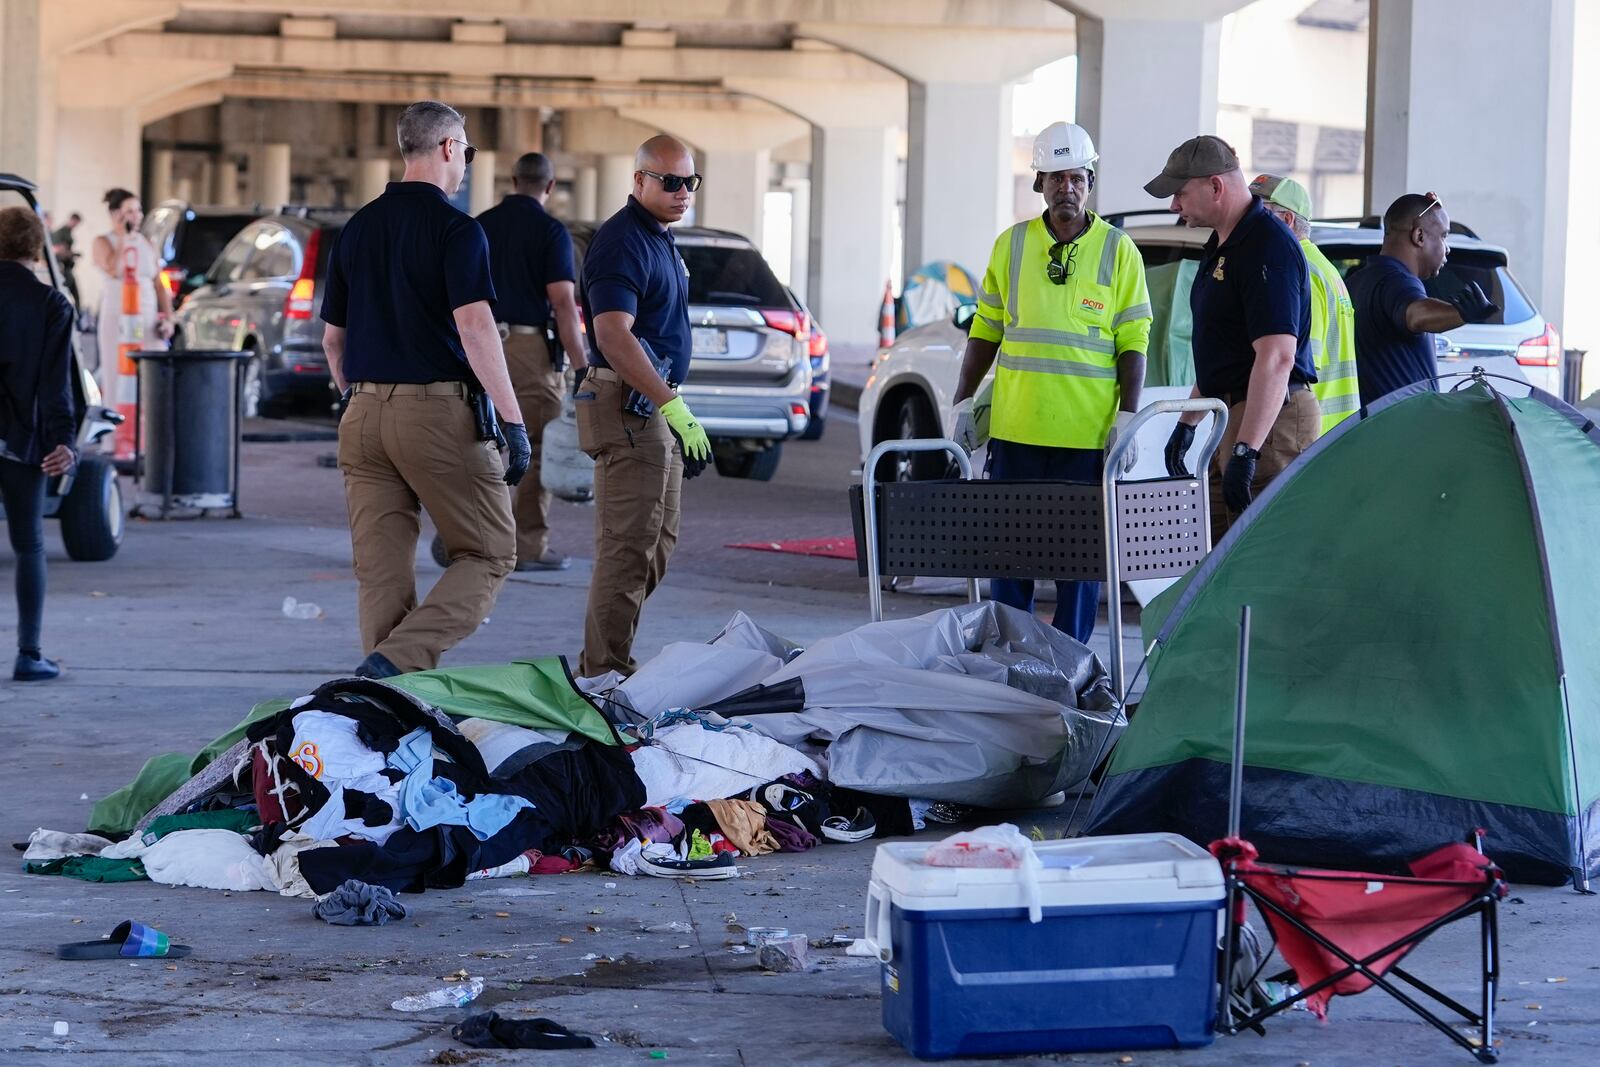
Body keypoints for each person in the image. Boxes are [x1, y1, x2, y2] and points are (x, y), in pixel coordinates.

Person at [320, 100, 531, 679]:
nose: (466, 161)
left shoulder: (356, 229)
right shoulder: (458, 230)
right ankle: (392, 667)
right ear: (447, 148)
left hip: (360, 413)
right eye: (467, 150)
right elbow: (475, 327)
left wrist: (359, 400)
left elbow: (332, 342)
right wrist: (513, 422)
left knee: (382, 572)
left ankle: (384, 705)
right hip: (435, 414)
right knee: (489, 553)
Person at [948, 121, 1151, 645]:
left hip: (1085, 441)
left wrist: (1127, 417)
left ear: (1090, 181)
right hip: (1016, 435)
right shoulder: (1012, 246)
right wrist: (963, 402)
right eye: (1057, 178)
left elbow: (1134, 340)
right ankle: (1009, 661)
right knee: (1009, 559)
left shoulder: (1118, 250)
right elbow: (985, 330)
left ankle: (1070, 666)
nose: (1068, 188)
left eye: (1077, 178)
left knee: (1078, 571)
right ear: (1040, 183)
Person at [575, 134, 711, 678]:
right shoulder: (623, 241)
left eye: (690, 183)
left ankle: (608, 659)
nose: (682, 193)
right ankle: (602, 673)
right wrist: (670, 404)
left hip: (655, 404)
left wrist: (672, 405)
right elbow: (612, 333)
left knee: (657, 544)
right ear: (639, 180)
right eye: (670, 181)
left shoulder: (660, 238)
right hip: (631, 406)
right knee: (627, 548)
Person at [1146, 136, 1320, 539]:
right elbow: (1221, 347)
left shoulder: (1266, 246)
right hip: (1236, 413)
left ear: (1215, 186)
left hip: (1271, 419)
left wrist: (1247, 450)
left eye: (1180, 194)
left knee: (1259, 554)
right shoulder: (1224, 243)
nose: (1174, 206)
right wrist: (1189, 423)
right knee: (1221, 553)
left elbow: (1276, 357)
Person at [474, 151, 588, 571]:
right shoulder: (550, 231)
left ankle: (475, 540)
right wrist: (581, 365)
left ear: (512, 179)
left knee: (482, 443)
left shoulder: (480, 226)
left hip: (478, 344)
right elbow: (561, 302)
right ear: (550, 186)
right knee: (536, 445)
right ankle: (526, 547)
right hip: (528, 350)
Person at [0, 208, 80, 681]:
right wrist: (64, 441)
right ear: (36, 249)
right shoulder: (51, 303)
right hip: (22, 441)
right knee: (28, 542)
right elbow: (56, 384)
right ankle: (29, 654)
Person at [1347, 192, 1499, 408]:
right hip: (1400, 431)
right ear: (1419, 236)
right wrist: (1461, 313)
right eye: (1444, 236)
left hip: (1370, 428)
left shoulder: (1357, 282)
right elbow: (1417, 314)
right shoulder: (1397, 281)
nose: (1447, 248)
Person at [1249, 174, 1359, 434]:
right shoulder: (1321, 266)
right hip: (1335, 430)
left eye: (1258, 213)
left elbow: (1295, 368)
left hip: (1307, 432)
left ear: (1287, 221)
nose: (1247, 222)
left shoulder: (1299, 271)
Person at [91, 190, 172, 400]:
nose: (136, 216)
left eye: (138, 210)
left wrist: (169, 318)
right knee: (117, 375)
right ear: (117, 214)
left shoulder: (148, 244)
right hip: (117, 314)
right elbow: (113, 268)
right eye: (130, 211)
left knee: (151, 375)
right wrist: (123, 238)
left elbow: (159, 283)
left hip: (146, 315)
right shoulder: (103, 241)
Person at [50, 212, 83, 307]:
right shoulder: (60, 233)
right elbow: (57, 249)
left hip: (67, 268)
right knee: (62, 295)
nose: (75, 226)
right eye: (75, 223)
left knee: (76, 296)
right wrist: (70, 253)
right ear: (72, 220)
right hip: (61, 268)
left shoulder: (68, 232)